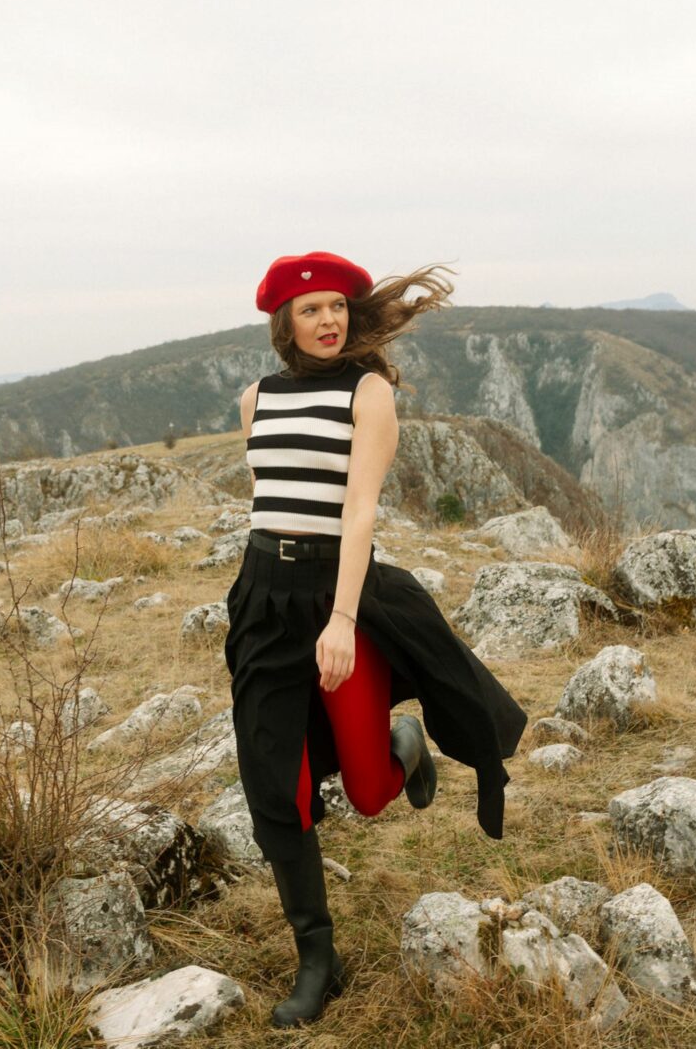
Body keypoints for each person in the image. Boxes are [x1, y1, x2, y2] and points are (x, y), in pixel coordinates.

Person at [224, 251, 528, 1028]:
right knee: (276, 790)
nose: (327, 321)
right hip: (264, 598)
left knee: (364, 794)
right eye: (309, 311)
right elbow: (270, 498)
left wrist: (342, 620)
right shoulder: (255, 398)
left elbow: (357, 512)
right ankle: (316, 958)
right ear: (284, 324)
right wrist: (268, 594)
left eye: (336, 307)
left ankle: (401, 742)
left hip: (338, 592)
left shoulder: (368, 392)